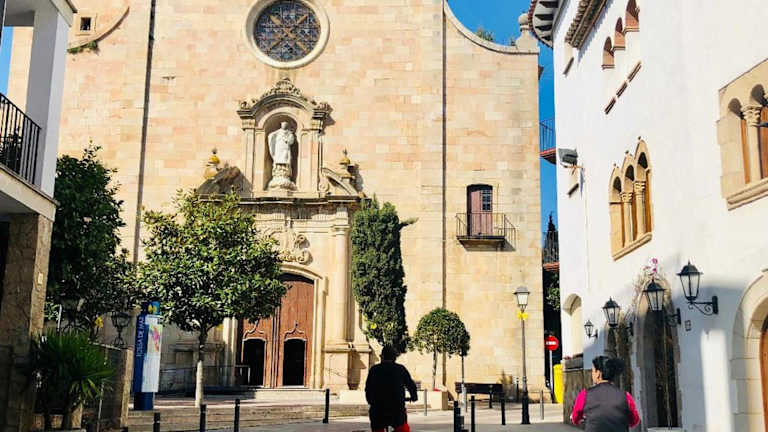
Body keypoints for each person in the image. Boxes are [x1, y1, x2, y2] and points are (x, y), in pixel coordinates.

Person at [571, 356, 641, 432]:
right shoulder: (625, 396)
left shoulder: (584, 394)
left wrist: (580, 419)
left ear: (598, 374)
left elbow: (575, 418)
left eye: (593, 371)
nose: (592, 374)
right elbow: (635, 420)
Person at [365, 345, 418, 432]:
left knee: (377, 428)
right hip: (397, 408)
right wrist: (414, 396)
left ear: (382, 357)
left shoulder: (374, 370)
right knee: (402, 428)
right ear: (394, 358)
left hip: (378, 409)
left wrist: (370, 401)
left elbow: (368, 388)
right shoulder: (400, 369)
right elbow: (410, 385)